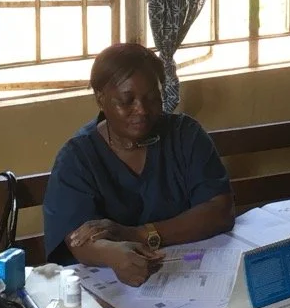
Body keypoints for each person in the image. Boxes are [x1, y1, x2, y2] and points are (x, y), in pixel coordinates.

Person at [42, 43, 234, 283]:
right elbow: (78, 239)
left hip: (188, 273)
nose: (141, 110)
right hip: (112, 285)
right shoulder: (78, 157)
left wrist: (138, 234)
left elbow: (220, 211)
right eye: (126, 100)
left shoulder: (186, 136)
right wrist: (112, 254)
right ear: (100, 99)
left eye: (153, 98)